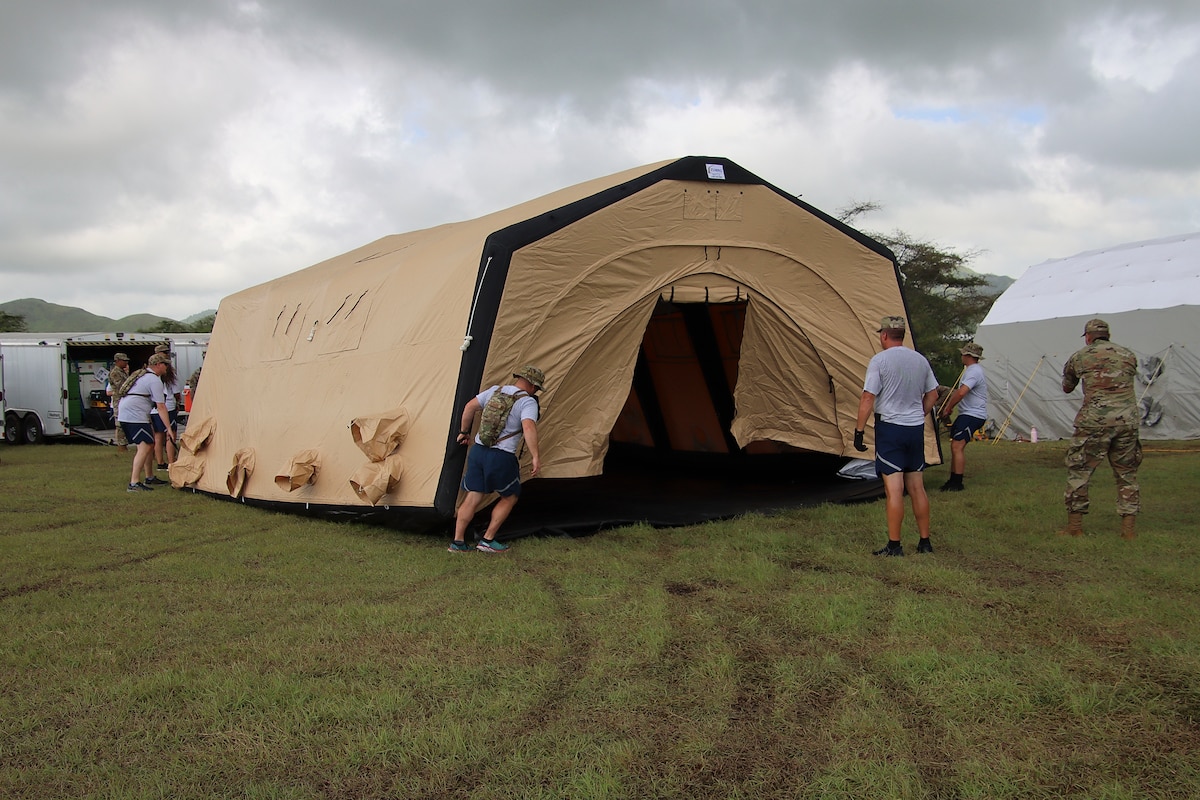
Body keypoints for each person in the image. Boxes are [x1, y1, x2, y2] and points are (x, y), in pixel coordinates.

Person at [854, 316, 940, 556]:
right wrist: (918, 413)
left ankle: (894, 545)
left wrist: (859, 431)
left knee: (894, 489)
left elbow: (868, 397)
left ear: (883, 335)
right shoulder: (919, 360)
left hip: (891, 429)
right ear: (902, 335)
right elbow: (933, 394)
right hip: (914, 429)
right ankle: (925, 542)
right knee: (917, 487)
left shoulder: (879, 361)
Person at [449, 365, 545, 553]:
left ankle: (458, 542)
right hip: (501, 456)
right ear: (533, 386)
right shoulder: (528, 402)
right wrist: (535, 456)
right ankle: (488, 539)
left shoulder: (495, 391)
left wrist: (463, 432)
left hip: (478, 451)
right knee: (510, 496)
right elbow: (528, 428)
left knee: (473, 495)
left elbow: (469, 407)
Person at [1060, 318, 1141, 539]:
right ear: (1108, 335)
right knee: (1127, 474)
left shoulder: (1080, 356)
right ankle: (1128, 531)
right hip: (1127, 421)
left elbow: (1067, 387)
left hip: (1093, 422)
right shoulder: (1128, 355)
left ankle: (1075, 528)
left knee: (1080, 471)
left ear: (1088, 337)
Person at [117, 353, 175, 492]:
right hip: (135, 415)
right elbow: (161, 406)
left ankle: (149, 477)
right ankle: (134, 483)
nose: (167, 367)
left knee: (148, 444)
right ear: (158, 365)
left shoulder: (143, 375)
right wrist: (169, 428)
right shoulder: (154, 380)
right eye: (165, 364)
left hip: (128, 412)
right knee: (145, 446)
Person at [938, 342, 989, 492]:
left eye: (963, 354)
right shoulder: (971, 370)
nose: (961, 356)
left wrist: (948, 407)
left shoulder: (974, 372)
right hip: (968, 413)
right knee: (956, 446)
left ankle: (957, 482)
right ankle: (953, 479)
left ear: (968, 356)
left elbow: (961, 392)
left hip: (973, 414)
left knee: (957, 446)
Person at [107, 352, 131, 452]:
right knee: (120, 424)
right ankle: (122, 446)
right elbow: (122, 386)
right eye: (124, 361)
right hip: (119, 401)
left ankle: (124, 444)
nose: (126, 362)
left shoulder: (122, 372)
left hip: (124, 400)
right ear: (118, 361)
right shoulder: (115, 372)